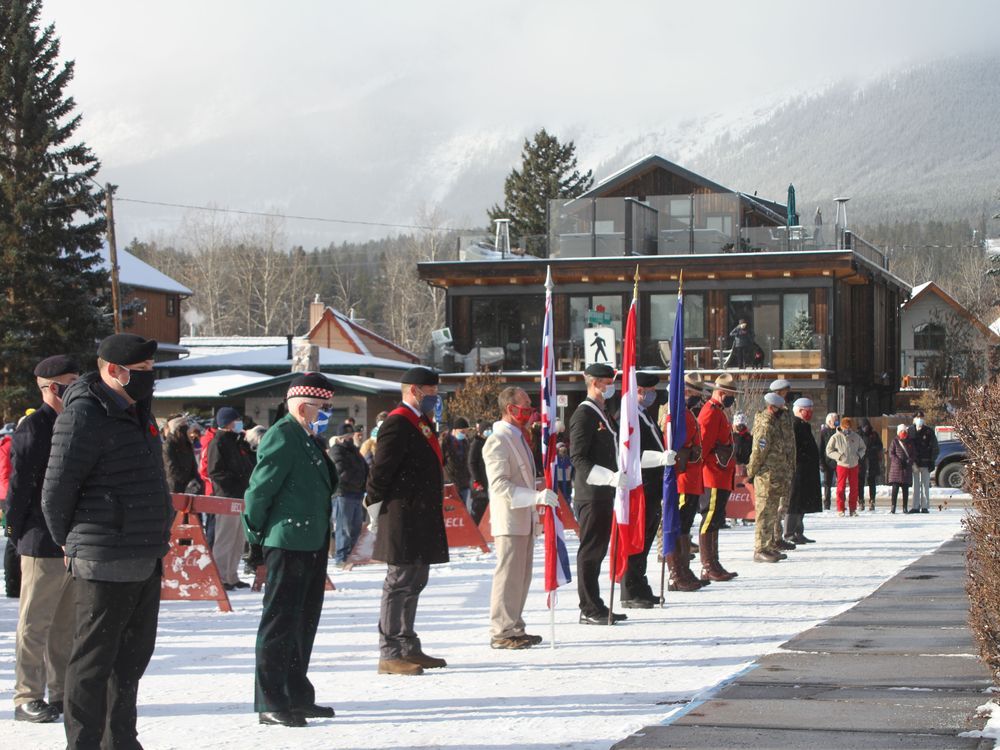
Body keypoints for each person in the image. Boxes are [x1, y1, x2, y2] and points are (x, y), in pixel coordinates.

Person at [41, 333, 173, 750]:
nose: (149, 379)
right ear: (113, 371)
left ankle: (121, 740)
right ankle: (83, 743)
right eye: (142, 373)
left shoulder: (138, 413)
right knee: (93, 663)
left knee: (130, 662)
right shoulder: (84, 415)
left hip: (144, 554)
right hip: (102, 558)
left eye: (151, 371)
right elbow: (56, 491)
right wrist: (74, 543)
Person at [242, 372, 338, 727]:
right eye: (323, 407)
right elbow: (259, 492)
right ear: (302, 406)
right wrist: (253, 540)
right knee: (280, 623)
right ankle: (270, 699)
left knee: (303, 622)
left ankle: (296, 694)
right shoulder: (283, 435)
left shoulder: (308, 437)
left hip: (309, 542)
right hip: (286, 542)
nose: (327, 412)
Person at [6, 355, 80, 723]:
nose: (76, 387)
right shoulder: (35, 427)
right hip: (40, 538)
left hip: (69, 540)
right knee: (35, 623)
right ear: (50, 387)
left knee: (65, 624)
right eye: (69, 381)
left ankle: (62, 691)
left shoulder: (74, 421)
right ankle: (27, 695)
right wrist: (13, 530)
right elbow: (20, 487)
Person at [365, 366, 450, 674]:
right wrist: (374, 507)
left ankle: (407, 645)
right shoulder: (397, 422)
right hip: (401, 515)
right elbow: (381, 472)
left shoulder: (421, 421)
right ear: (415, 391)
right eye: (431, 392)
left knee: (416, 580)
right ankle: (389, 651)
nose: (435, 397)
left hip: (421, 515)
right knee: (399, 582)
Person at [484, 386, 558, 648]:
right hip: (510, 518)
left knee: (521, 577)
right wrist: (534, 497)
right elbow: (500, 485)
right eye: (524, 405)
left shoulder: (519, 437)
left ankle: (514, 625)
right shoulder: (498, 440)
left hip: (524, 519)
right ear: (509, 408)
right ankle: (502, 630)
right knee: (508, 576)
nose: (529, 410)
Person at [570, 363, 627, 625]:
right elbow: (578, 457)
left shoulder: (603, 413)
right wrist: (608, 477)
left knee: (599, 549)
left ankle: (596, 603)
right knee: (590, 550)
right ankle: (588, 607)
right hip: (591, 493)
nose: (611, 387)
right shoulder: (585, 414)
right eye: (607, 382)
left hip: (604, 492)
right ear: (595, 383)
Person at [619, 372, 676, 608]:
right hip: (640, 485)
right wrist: (661, 458)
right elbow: (634, 456)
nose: (653, 395)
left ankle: (640, 584)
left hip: (652, 487)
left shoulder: (644, 415)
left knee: (647, 538)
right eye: (650, 390)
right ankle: (630, 590)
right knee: (637, 539)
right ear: (639, 391)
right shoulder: (630, 418)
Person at [661, 373, 708, 592]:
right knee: (677, 525)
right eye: (695, 395)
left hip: (691, 478)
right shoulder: (675, 414)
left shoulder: (686, 413)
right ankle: (675, 573)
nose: (697, 400)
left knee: (685, 526)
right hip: (682, 479)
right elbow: (674, 446)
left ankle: (684, 569)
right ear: (685, 392)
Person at [698, 372, 740, 583]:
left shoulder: (718, 412)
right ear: (721, 393)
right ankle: (708, 565)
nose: (732, 398)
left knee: (715, 520)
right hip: (712, 475)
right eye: (730, 394)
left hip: (720, 474)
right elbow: (703, 446)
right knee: (709, 519)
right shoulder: (710, 413)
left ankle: (714, 563)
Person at [208, 407, 255, 591]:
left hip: (241, 496)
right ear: (227, 422)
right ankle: (220, 576)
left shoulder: (236, 441)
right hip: (226, 496)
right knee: (225, 538)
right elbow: (215, 472)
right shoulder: (218, 442)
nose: (239, 423)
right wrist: (235, 484)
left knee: (238, 539)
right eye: (235, 420)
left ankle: (232, 575)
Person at [746, 393, 793, 562]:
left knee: (772, 512)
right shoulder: (766, 425)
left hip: (776, 475)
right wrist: (750, 472)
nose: (782, 412)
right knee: (764, 513)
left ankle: (769, 545)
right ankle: (760, 549)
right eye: (780, 409)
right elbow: (759, 451)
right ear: (772, 407)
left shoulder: (775, 422)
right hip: (766, 476)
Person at [329, 423, 369, 566]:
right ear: (340, 438)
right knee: (344, 527)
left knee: (356, 527)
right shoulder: (336, 451)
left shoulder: (355, 451)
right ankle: (341, 557)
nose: (349, 439)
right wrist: (357, 480)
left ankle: (351, 556)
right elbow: (340, 471)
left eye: (350, 436)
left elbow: (364, 467)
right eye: (346, 437)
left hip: (357, 493)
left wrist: (364, 482)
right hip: (343, 493)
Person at [786, 398, 822, 544]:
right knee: (794, 502)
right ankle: (789, 532)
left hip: (806, 470)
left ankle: (798, 531)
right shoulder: (795, 425)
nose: (811, 413)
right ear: (800, 410)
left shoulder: (803, 425)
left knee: (802, 503)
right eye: (808, 410)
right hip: (798, 470)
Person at [768, 379, 797, 550]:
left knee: (783, 504)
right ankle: (772, 538)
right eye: (785, 391)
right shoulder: (772, 413)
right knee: (775, 506)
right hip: (775, 466)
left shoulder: (785, 412)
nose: (788, 394)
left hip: (785, 465)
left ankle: (777, 537)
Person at [825, 416, 866, 517]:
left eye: (849, 427)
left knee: (854, 487)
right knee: (840, 487)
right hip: (842, 465)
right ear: (841, 426)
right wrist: (838, 456)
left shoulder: (856, 437)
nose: (847, 430)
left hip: (854, 465)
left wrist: (858, 455)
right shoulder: (835, 437)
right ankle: (840, 509)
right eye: (845, 427)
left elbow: (863, 448)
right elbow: (829, 450)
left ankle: (853, 509)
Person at [908, 411, 938, 514]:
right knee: (915, 486)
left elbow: (935, 447)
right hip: (914, 464)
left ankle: (925, 506)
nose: (919, 419)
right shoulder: (910, 431)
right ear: (914, 419)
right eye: (917, 417)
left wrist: (932, 460)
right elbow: (907, 447)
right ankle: (915, 506)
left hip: (926, 463)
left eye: (921, 417)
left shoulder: (929, 431)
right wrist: (910, 461)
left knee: (925, 486)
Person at [441, 416, 473, 513]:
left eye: (466, 432)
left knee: (464, 512)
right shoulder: (445, 442)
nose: (464, 434)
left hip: (464, 482)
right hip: (450, 482)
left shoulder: (465, 442)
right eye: (462, 432)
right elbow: (441, 461)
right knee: (453, 512)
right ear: (454, 430)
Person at [163, 416, 201, 494]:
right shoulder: (168, 445)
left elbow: (193, 464)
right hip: (175, 487)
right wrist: (185, 480)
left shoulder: (187, 443)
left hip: (189, 487)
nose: (187, 429)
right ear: (177, 429)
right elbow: (171, 469)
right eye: (184, 426)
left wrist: (195, 479)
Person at [467, 420, 491, 524]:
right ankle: (475, 527)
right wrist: (476, 479)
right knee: (478, 507)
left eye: (490, 430)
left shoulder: (488, 442)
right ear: (481, 431)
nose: (489, 432)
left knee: (486, 505)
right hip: (478, 482)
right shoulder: (476, 443)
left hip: (487, 479)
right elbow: (471, 462)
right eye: (487, 430)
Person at [857, 419, 883, 511]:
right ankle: (860, 500)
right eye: (864, 426)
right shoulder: (858, 435)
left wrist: (872, 449)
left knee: (872, 482)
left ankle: (872, 501)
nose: (866, 428)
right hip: (861, 461)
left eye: (867, 426)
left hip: (872, 461)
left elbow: (880, 445)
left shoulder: (874, 434)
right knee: (860, 483)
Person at [888, 424, 914, 514]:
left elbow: (913, 454)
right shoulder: (894, 441)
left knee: (905, 489)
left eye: (905, 431)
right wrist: (898, 461)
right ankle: (893, 507)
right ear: (898, 432)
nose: (903, 432)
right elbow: (891, 453)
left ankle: (905, 507)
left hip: (906, 469)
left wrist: (909, 461)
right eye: (902, 431)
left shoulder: (910, 441)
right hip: (896, 469)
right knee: (895, 489)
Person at [819, 413, 840, 510]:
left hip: (839, 460)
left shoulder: (839, 431)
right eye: (834, 420)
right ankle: (827, 503)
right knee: (827, 484)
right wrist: (821, 463)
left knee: (840, 483)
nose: (836, 421)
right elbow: (821, 448)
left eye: (837, 419)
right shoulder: (824, 433)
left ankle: (841, 502)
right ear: (829, 421)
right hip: (828, 461)